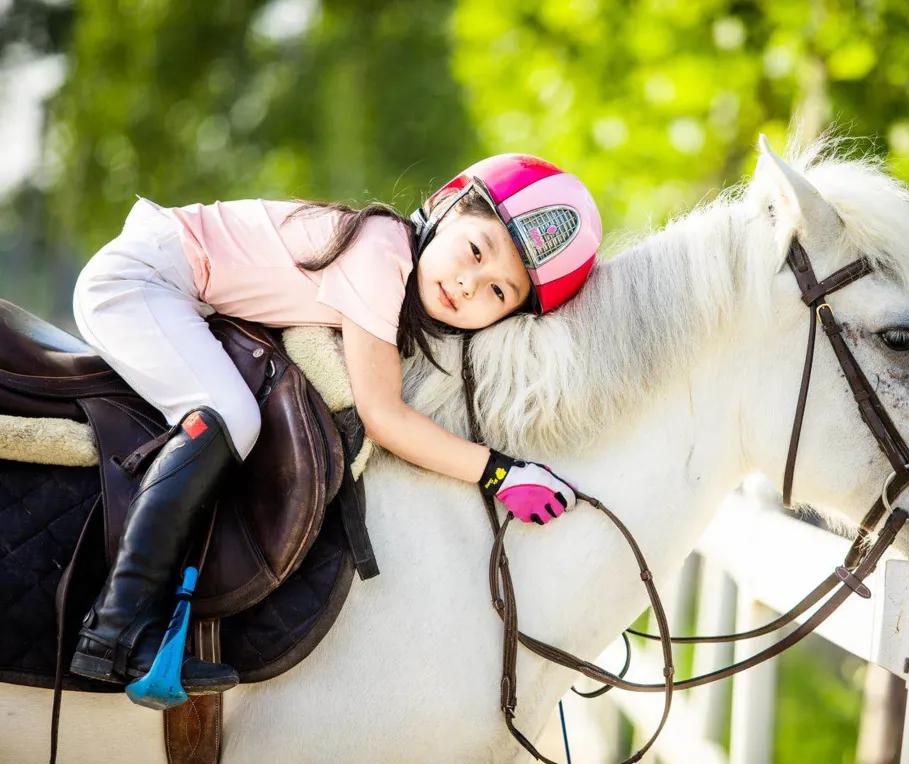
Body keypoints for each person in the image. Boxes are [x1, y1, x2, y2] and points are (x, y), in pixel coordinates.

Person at [68, 154, 603, 694]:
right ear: (446, 206)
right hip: (144, 279)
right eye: (475, 251)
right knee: (231, 417)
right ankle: (115, 627)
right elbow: (384, 415)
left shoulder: (394, 268)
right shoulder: (381, 252)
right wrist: (500, 472)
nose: (469, 284)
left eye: (498, 292)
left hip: (176, 287)